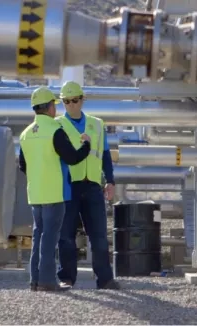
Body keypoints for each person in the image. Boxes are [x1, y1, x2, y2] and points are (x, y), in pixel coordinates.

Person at [19, 86, 92, 292]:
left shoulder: (25, 134)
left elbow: (23, 165)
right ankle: (48, 281)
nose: (55, 109)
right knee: (49, 238)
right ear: (49, 107)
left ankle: (35, 280)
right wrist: (86, 145)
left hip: (35, 194)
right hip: (54, 193)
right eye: (54, 105)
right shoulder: (55, 131)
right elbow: (73, 158)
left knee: (38, 236)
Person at [55, 81, 120, 290]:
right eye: (66, 101)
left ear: (82, 100)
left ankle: (105, 279)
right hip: (68, 186)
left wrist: (110, 181)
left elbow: (106, 156)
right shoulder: (57, 125)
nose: (71, 105)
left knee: (99, 234)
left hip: (92, 186)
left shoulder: (97, 124)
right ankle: (66, 278)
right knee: (66, 235)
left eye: (75, 100)